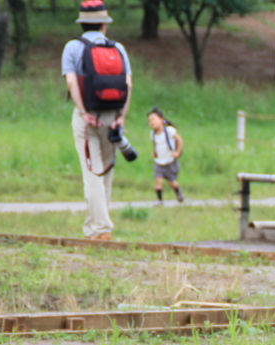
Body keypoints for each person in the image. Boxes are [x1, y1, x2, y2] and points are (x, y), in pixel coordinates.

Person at [61, 0, 132, 240]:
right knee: (106, 172)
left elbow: (71, 82)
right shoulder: (118, 48)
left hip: (88, 119)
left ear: (82, 23)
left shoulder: (72, 47)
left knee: (91, 173)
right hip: (113, 117)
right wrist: (121, 116)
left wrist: (83, 112)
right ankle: (93, 229)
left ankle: (101, 229)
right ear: (104, 24)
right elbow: (129, 85)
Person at [148, 107, 184, 206]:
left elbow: (179, 140)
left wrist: (177, 151)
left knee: (171, 182)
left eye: (154, 119)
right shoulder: (153, 134)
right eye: (150, 121)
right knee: (158, 180)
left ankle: (178, 191)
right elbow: (156, 144)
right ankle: (159, 200)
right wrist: (154, 152)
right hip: (159, 162)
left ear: (161, 120)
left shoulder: (169, 131)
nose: (151, 122)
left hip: (169, 161)